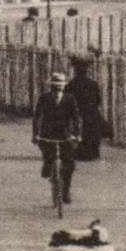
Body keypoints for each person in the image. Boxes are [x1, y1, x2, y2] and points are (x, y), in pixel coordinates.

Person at [33, 70, 82, 203]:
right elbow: (38, 117)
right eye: (55, 86)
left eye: (60, 85)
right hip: (47, 134)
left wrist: (77, 134)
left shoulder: (70, 99)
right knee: (48, 154)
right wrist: (36, 134)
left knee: (69, 163)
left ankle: (65, 191)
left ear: (64, 86)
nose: (57, 88)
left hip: (65, 134)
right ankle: (47, 164)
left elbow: (76, 117)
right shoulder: (44, 98)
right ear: (51, 87)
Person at [65, 59, 106, 162]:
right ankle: (92, 152)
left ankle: (80, 152)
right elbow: (98, 100)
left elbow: (67, 100)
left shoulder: (71, 84)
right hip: (91, 112)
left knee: (80, 132)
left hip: (78, 113)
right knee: (92, 132)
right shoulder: (93, 84)